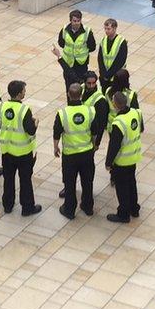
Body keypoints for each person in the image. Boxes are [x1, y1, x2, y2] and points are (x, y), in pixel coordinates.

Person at [54, 83, 101, 219]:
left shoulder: (63, 113)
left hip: (70, 155)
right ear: (81, 95)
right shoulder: (90, 111)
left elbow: (57, 132)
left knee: (69, 183)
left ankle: (69, 209)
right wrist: (92, 144)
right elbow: (95, 131)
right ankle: (88, 207)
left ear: (68, 94)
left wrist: (55, 147)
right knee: (87, 181)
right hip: (86, 153)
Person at [0, 80, 41, 216]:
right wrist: (36, 123)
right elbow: (30, 131)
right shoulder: (24, 110)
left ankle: (8, 205)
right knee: (25, 180)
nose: (25, 92)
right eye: (24, 90)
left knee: (8, 179)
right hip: (23, 152)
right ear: (20, 94)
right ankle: (27, 207)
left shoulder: (1, 107)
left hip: (7, 149)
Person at [104, 91, 142, 223]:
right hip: (134, 157)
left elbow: (114, 145)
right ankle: (134, 209)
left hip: (122, 160)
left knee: (122, 188)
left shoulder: (118, 122)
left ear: (115, 104)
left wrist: (108, 162)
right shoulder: (135, 113)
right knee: (132, 183)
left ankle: (123, 214)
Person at [57, 10, 96, 91]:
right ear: (70, 20)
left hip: (81, 65)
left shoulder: (87, 32)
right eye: (74, 21)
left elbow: (92, 47)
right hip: (68, 64)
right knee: (69, 87)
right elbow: (61, 43)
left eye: (78, 21)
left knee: (81, 87)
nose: (77, 23)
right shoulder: (64, 30)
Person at [97, 18, 127, 93]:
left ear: (114, 28)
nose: (106, 31)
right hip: (104, 77)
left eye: (109, 29)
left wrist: (108, 75)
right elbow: (100, 58)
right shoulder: (103, 40)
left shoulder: (121, 42)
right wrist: (103, 74)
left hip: (116, 77)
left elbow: (120, 61)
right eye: (105, 29)